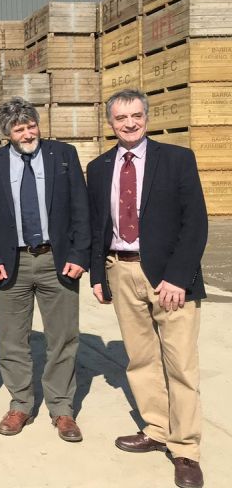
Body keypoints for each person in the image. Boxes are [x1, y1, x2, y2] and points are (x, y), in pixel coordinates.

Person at [87, 89, 206, 488]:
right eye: (121, 118)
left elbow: (196, 223)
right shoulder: (100, 167)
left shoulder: (176, 159)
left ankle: (185, 449)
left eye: (136, 115)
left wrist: (178, 277)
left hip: (168, 277)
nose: (130, 123)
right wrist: (98, 275)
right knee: (140, 360)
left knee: (181, 365)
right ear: (111, 123)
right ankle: (157, 429)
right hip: (121, 271)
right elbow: (96, 225)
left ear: (147, 116)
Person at [0, 97, 90, 442]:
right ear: (7, 133)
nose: (27, 133)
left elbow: (81, 208)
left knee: (63, 337)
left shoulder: (63, 155)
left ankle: (62, 408)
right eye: (18, 128)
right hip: (12, 264)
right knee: (12, 340)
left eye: (31, 125)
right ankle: (21, 403)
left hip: (58, 259)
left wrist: (80, 254)